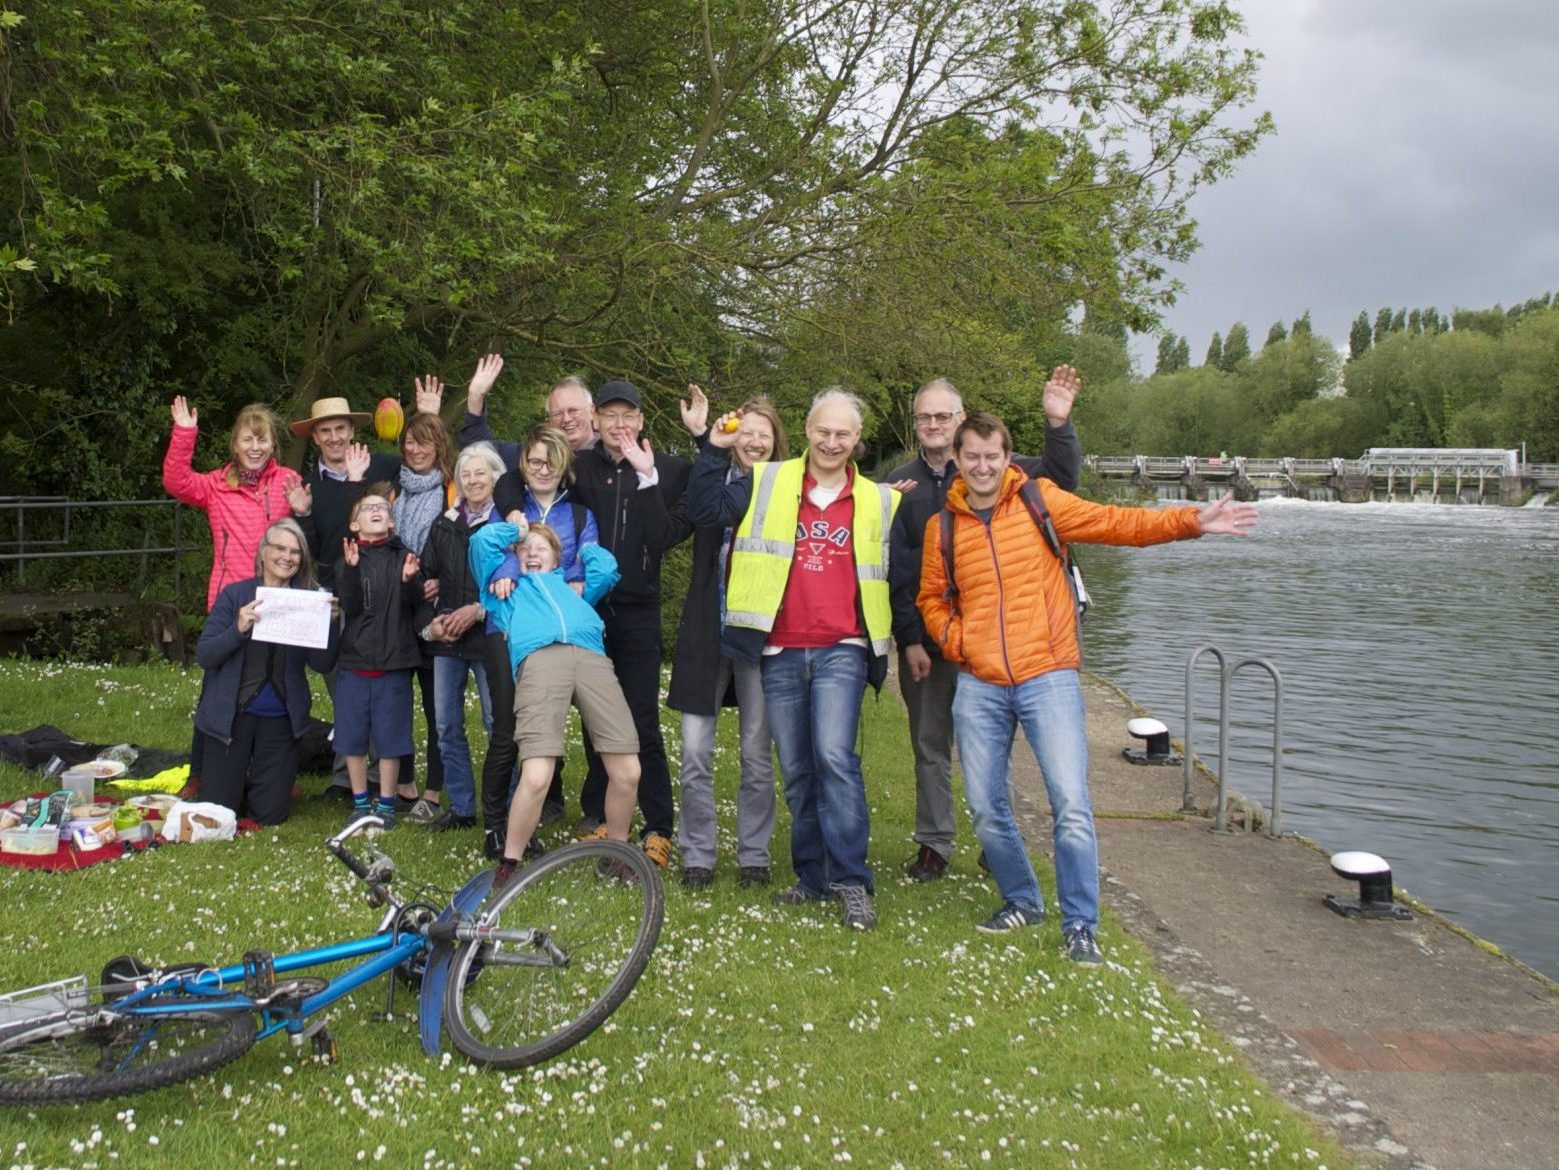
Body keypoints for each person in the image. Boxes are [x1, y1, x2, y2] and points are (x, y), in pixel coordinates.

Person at [917, 411, 1258, 964]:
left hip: (1047, 674)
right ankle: (1022, 899)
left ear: (1008, 457)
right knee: (983, 804)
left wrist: (1193, 521)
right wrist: (958, 642)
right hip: (979, 681)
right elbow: (932, 597)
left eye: (992, 455)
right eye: (972, 456)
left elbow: (1119, 523)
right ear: (956, 458)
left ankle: (1080, 925)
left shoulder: (1039, 501)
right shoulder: (944, 528)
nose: (982, 466)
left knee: (1070, 803)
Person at [688, 388, 899, 930]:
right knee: (798, 769)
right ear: (806, 430)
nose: (832, 442)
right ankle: (811, 876)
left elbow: (906, 568)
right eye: (823, 431)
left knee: (834, 757)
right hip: (778, 647)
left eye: (844, 434)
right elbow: (705, 508)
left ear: (858, 440)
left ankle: (851, 880)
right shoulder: (768, 480)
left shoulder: (879, 499)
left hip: (842, 648)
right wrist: (712, 450)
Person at [887, 369, 1083, 880]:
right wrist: (909, 639)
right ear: (916, 424)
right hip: (927, 643)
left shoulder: (993, 468)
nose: (933, 424)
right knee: (929, 744)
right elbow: (897, 573)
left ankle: (998, 845)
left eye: (943, 415)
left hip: (995, 646)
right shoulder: (896, 485)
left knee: (994, 750)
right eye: (924, 416)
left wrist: (1058, 423)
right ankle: (934, 842)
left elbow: (1062, 476)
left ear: (961, 418)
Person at [565, 380, 691, 868]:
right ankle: (599, 815)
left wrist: (656, 472)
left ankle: (658, 826)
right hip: (590, 609)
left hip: (639, 608)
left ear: (641, 421)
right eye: (610, 416)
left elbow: (678, 522)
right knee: (597, 718)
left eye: (629, 416)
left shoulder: (669, 470)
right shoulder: (580, 468)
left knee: (641, 721)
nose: (620, 425)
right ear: (596, 419)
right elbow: (522, 471)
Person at [474, 524, 640, 891]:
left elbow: (607, 568)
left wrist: (583, 557)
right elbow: (481, 543)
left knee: (627, 770)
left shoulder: (574, 589)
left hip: (592, 658)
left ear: (556, 556)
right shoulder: (505, 593)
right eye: (524, 549)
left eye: (541, 547)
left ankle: (617, 854)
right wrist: (513, 537)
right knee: (536, 775)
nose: (532, 553)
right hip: (539, 658)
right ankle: (510, 863)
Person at [667, 386, 785, 888]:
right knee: (695, 750)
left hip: (759, 633)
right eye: (747, 433)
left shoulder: (785, 486)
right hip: (705, 630)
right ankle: (698, 853)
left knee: (757, 753)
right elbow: (704, 510)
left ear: (777, 442)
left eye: (765, 434)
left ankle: (754, 856)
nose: (755, 442)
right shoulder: (711, 475)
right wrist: (708, 445)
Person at [487, 424, 601, 829]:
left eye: (551, 462)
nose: (542, 469)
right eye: (535, 461)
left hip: (559, 626)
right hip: (515, 623)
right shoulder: (511, 506)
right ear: (524, 464)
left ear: (564, 465)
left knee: (559, 717)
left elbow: (587, 556)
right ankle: (499, 821)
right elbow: (496, 546)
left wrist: (576, 576)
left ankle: (557, 802)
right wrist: (505, 569)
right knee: (509, 724)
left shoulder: (579, 511)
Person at [194, 519, 338, 824]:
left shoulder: (307, 600)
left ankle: (260, 782)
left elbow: (321, 664)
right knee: (218, 812)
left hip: (280, 719)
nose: (287, 557)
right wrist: (238, 629)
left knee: (270, 814)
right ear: (263, 552)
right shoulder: (235, 595)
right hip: (231, 717)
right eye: (280, 548)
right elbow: (206, 655)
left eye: (295, 552)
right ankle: (229, 780)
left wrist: (330, 624)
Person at [414, 442, 505, 832]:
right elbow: (423, 578)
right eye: (466, 474)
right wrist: (429, 623)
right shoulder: (444, 523)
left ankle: (504, 810)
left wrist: (480, 610)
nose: (473, 481)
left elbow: (517, 582)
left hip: (490, 637)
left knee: (495, 723)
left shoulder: (506, 524)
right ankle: (463, 807)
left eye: (480, 473)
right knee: (446, 725)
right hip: (447, 639)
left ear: (496, 477)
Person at [162, 397, 306, 612]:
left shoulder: (288, 481)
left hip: (278, 596)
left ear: (273, 444)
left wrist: (305, 512)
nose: (255, 448)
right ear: (236, 445)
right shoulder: (216, 485)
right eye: (247, 440)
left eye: (262, 440)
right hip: (229, 597)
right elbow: (176, 482)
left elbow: (307, 537)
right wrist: (184, 433)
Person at [336, 486, 423, 827]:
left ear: (391, 522)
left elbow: (416, 604)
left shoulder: (405, 556)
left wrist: (409, 582)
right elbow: (351, 606)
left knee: (391, 737)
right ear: (354, 525)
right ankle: (360, 802)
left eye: (382, 508)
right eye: (367, 508)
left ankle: (386, 804)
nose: (376, 511)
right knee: (352, 736)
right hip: (354, 662)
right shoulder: (348, 558)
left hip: (394, 663)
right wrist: (352, 571)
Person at [390, 409, 455, 821]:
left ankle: (432, 792)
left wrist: (444, 582)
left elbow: (465, 546)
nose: (416, 449)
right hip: (395, 608)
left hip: (434, 607)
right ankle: (402, 783)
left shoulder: (453, 491)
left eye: (424, 442)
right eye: (410, 442)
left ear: (440, 447)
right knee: (396, 700)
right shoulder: (393, 490)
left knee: (437, 704)